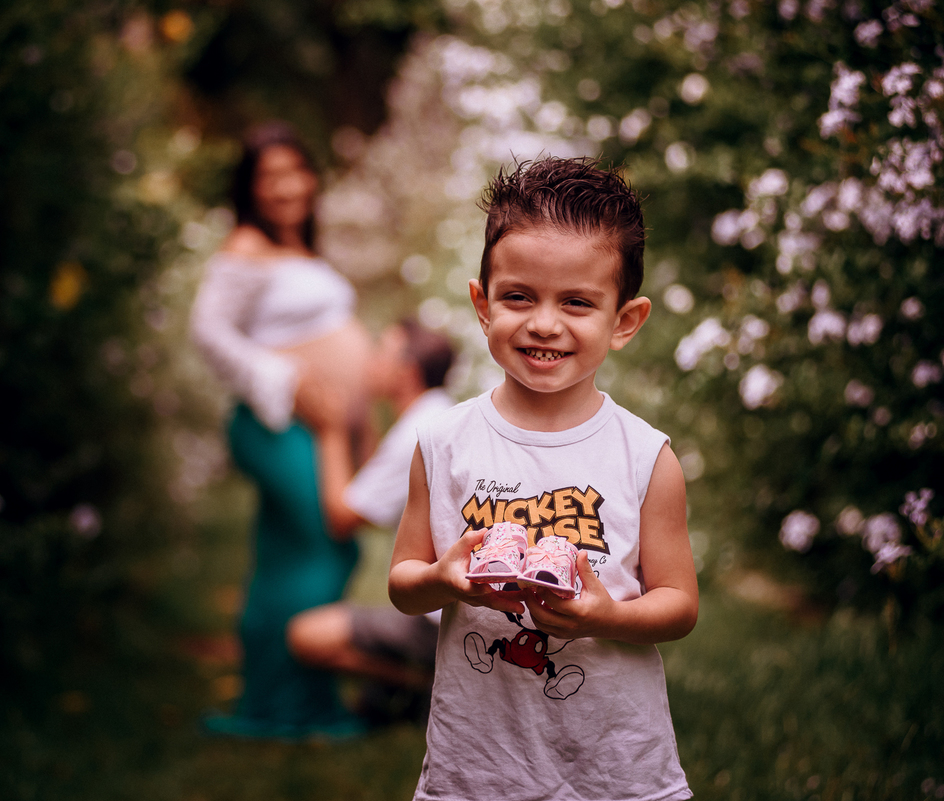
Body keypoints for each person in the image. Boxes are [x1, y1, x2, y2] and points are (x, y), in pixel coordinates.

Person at [389, 156, 699, 800]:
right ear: (482, 305)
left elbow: (678, 604)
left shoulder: (645, 457)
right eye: (518, 296)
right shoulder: (443, 443)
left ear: (624, 321)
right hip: (476, 769)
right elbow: (402, 585)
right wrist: (443, 578)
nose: (544, 323)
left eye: (578, 302)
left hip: (616, 768)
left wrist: (604, 617)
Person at [189, 122, 373, 739]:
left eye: (296, 170)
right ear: (249, 188)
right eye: (270, 176)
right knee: (329, 540)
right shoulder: (244, 246)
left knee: (283, 558)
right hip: (275, 425)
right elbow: (209, 334)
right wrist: (287, 383)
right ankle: (299, 705)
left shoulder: (299, 249)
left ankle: (271, 705)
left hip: (317, 428)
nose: (287, 186)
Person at [287, 319, 455, 722]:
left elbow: (343, 517)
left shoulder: (419, 431)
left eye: (382, 349)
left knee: (305, 637)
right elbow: (378, 486)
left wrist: (330, 431)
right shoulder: (439, 414)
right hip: (452, 604)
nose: (371, 360)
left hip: (438, 621)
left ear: (407, 371)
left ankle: (425, 692)